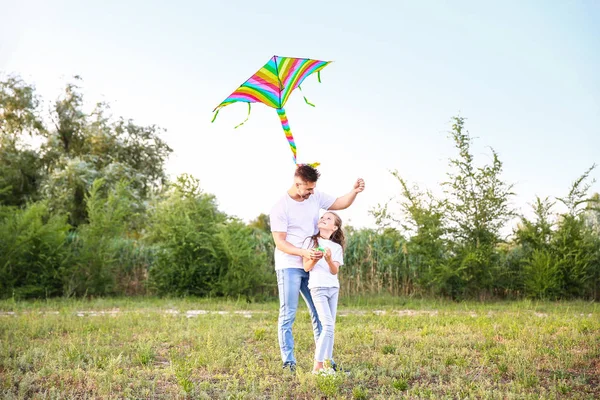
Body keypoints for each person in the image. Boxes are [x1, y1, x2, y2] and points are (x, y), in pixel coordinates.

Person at [269, 164, 364, 373]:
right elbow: (280, 243)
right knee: (288, 314)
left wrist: (354, 192)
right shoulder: (280, 207)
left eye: (313, 189)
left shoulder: (315, 195)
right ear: (297, 184)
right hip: (289, 265)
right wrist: (304, 253)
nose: (312, 193)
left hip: (314, 266)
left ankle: (324, 361)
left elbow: (340, 203)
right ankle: (289, 361)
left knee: (320, 316)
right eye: (308, 189)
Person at [302, 211, 345, 374]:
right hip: (317, 287)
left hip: (333, 288)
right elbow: (307, 267)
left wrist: (327, 259)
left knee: (330, 327)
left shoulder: (336, 247)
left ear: (334, 227)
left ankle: (327, 366)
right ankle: (317, 366)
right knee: (327, 325)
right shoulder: (310, 242)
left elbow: (334, 271)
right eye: (322, 217)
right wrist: (315, 258)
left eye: (328, 218)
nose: (323, 219)